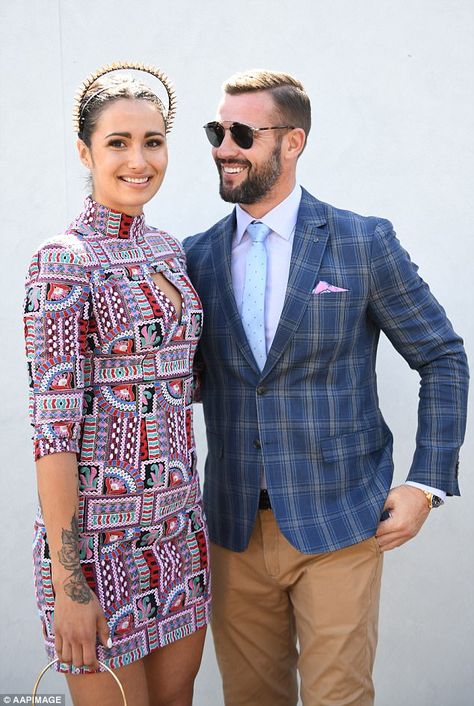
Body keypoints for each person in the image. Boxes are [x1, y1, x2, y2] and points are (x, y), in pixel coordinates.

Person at [183, 69, 469, 706]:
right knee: (251, 699)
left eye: (241, 133)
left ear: (293, 142)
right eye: (215, 131)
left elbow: (442, 357)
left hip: (340, 521)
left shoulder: (361, 242)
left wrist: (427, 483)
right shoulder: (194, 257)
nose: (223, 147)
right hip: (231, 528)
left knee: (338, 697)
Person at [23, 63, 210, 706]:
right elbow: (54, 431)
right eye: (118, 142)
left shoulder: (167, 250)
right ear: (86, 151)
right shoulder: (62, 260)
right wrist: (70, 580)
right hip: (98, 548)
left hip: (179, 533)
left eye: (153, 141)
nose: (139, 159)